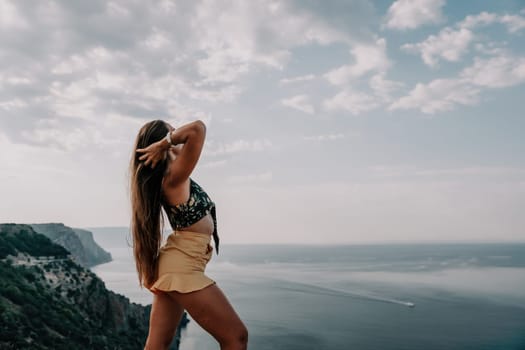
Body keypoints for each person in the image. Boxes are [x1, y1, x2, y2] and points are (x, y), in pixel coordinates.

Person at [129, 119, 248, 350]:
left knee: (157, 345)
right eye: (172, 133)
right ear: (161, 145)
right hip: (182, 266)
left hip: (176, 262)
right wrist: (166, 142)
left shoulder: (172, 175)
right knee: (236, 337)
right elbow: (197, 129)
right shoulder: (173, 176)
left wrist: (166, 141)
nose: (177, 137)